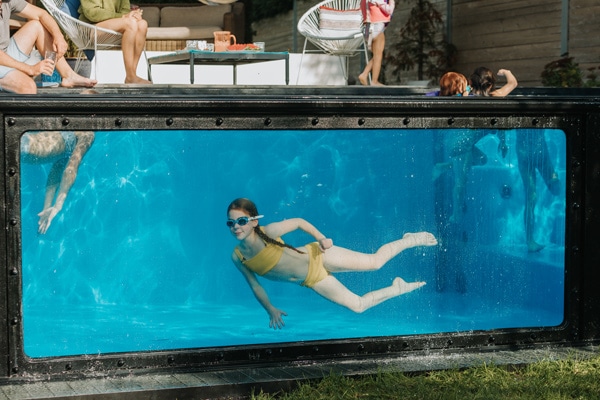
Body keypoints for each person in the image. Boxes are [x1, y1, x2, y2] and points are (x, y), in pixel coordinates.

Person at [227, 198, 438, 329]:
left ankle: (411, 239)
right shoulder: (238, 257)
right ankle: (397, 289)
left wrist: (321, 238)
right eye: (231, 223)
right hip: (313, 279)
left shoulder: (268, 232)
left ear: (254, 221)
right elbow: (255, 285)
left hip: (319, 255)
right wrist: (270, 309)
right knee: (358, 306)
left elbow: (299, 221)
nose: (236, 227)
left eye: (242, 221)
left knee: (375, 262)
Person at [0, 0, 97, 94]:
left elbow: (42, 14)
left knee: (36, 26)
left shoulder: (7, 1)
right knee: (28, 87)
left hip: (5, 54)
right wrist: (30, 69)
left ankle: (68, 75)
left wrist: (58, 36)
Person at [21, 131, 95, 234]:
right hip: (24, 148)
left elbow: (56, 170)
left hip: (25, 144)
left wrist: (47, 207)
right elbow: (71, 169)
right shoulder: (88, 134)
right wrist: (58, 205)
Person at [79, 0, 150, 84]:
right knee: (130, 23)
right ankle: (131, 76)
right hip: (90, 28)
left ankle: (131, 75)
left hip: (114, 26)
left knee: (142, 24)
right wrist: (124, 16)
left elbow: (125, 10)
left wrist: (133, 15)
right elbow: (93, 13)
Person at [516, 131, 560, 252]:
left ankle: (530, 240)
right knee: (531, 198)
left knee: (555, 189)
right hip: (528, 155)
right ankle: (530, 240)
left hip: (539, 154)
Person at [358, 0, 395, 86]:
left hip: (367, 26)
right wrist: (392, 2)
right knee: (378, 54)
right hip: (376, 25)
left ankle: (365, 75)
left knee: (376, 54)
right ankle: (373, 81)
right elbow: (389, 10)